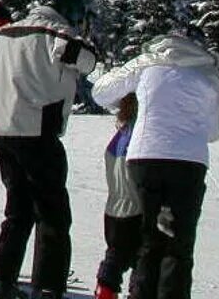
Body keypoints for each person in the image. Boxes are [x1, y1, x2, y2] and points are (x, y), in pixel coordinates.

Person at [0, 0, 98, 299]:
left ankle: (0, 283)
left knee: (17, 212)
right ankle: (47, 287)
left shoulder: (4, 34)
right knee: (53, 215)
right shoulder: (57, 33)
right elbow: (86, 60)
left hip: (4, 129)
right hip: (38, 129)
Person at [92, 28, 219, 299]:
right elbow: (214, 131)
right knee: (177, 246)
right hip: (188, 160)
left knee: (150, 241)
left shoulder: (147, 62)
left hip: (144, 156)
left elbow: (101, 92)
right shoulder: (208, 71)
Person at [93, 93, 143, 299]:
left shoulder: (120, 135)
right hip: (136, 207)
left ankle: (105, 289)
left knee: (116, 253)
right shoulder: (141, 134)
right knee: (142, 256)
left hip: (114, 208)